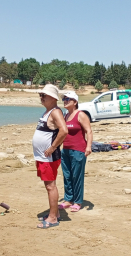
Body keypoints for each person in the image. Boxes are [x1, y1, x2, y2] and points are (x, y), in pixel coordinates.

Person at [32, 84, 68, 228]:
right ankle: (55, 213)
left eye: (44, 95)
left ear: (53, 98)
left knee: (50, 186)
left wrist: (53, 147)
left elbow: (64, 131)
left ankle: (53, 218)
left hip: (49, 157)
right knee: (48, 185)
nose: (41, 98)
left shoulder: (55, 112)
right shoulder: (48, 111)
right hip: (42, 157)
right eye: (40, 95)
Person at [58, 91, 93, 212]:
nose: (65, 101)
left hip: (78, 150)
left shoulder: (81, 114)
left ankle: (78, 201)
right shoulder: (65, 115)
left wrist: (88, 147)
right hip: (66, 150)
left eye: (68, 99)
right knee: (67, 176)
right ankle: (68, 199)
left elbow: (89, 131)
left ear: (75, 102)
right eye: (64, 99)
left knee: (76, 176)